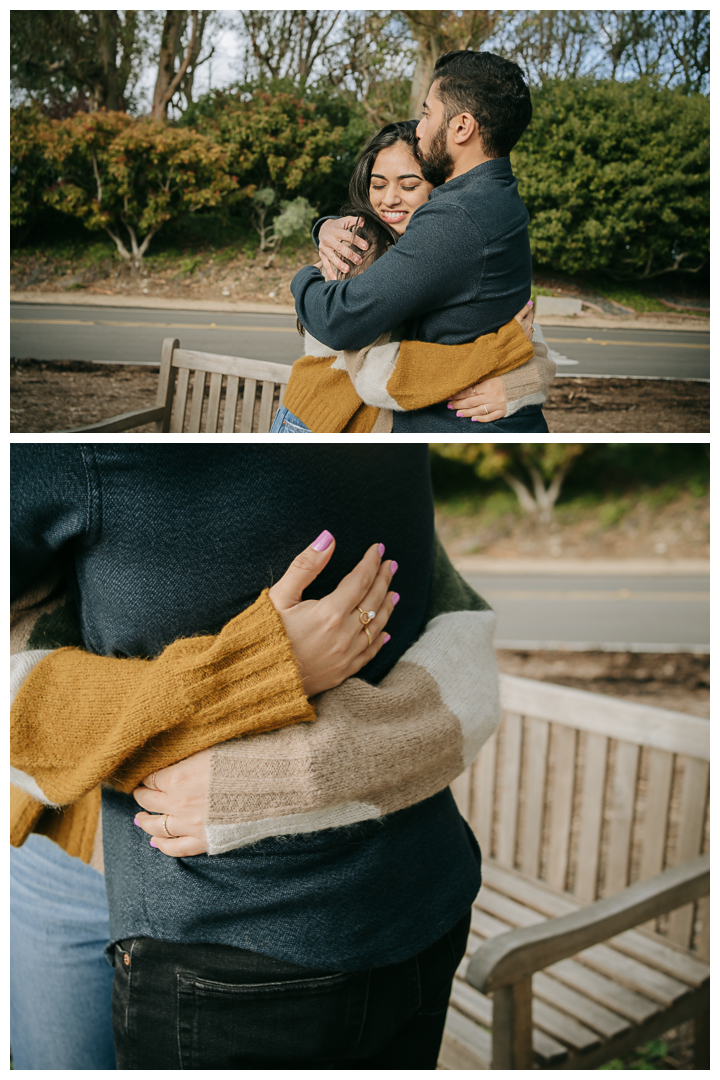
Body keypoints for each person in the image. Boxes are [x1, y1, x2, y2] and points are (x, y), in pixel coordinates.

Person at [11, 443, 502, 1069]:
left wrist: (270, 777)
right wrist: (252, 671)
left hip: (291, 910)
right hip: (73, 853)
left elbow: (457, 639)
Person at [290, 50, 550, 433]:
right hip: (318, 419)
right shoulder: (498, 198)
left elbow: (340, 322)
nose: (420, 128)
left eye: (428, 114)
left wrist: (302, 279)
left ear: (462, 127)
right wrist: (325, 229)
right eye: (379, 184)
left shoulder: (457, 217)